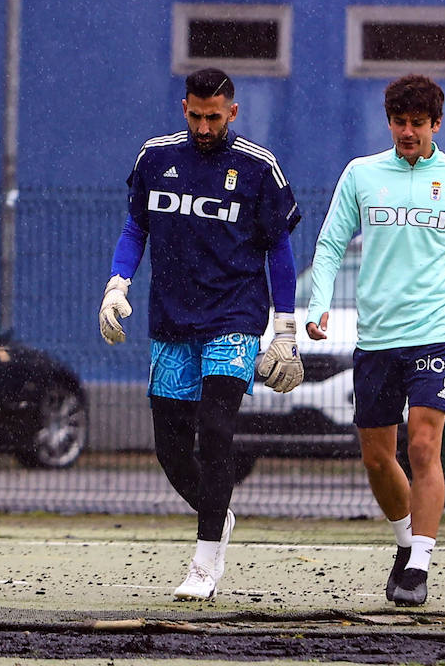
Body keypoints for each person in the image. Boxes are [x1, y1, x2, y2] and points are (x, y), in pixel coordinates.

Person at [98, 67, 303, 601]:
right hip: (171, 320)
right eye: (196, 115)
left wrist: (285, 327)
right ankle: (219, 512)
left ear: (232, 112)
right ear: (182, 108)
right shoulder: (155, 157)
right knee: (170, 448)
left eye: (215, 116)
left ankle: (205, 561)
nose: (205, 125)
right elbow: (136, 226)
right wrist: (117, 283)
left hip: (234, 317)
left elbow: (278, 249)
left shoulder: (260, 168)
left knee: (215, 430)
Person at [304, 74, 445, 607]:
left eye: (418, 123)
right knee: (376, 456)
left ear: (437, 124)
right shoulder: (362, 174)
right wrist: (318, 302)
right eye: (400, 122)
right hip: (377, 337)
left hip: (435, 334)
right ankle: (404, 541)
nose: (408, 131)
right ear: (389, 121)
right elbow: (329, 243)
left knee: (422, 445)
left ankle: (420, 563)